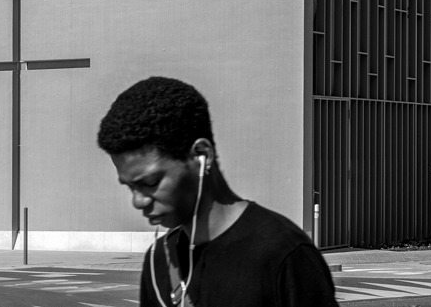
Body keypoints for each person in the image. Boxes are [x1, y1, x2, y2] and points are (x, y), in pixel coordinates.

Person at [97, 76, 337, 306]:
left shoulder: (284, 253)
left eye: (150, 182)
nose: (138, 201)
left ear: (201, 155)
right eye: (130, 187)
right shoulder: (159, 259)